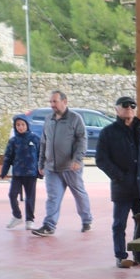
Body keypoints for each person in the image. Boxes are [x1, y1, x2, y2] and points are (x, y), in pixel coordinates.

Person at [94, 96, 140, 269]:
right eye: (124, 106)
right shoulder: (108, 132)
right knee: (119, 223)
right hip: (122, 186)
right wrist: (118, 176)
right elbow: (101, 159)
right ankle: (121, 255)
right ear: (117, 109)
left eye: (132, 105)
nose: (129, 108)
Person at [31, 90, 94, 237]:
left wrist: (77, 159)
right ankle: (49, 225)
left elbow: (82, 140)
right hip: (51, 168)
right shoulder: (48, 119)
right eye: (51, 102)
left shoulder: (75, 119)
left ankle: (86, 220)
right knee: (53, 197)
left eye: (55, 101)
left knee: (79, 195)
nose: (52, 104)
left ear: (65, 102)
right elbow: (43, 142)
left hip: (71, 167)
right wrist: (41, 163)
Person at [0, 114, 41, 230]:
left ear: (27, 125)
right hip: (17, 173)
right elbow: (8, 157)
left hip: (31, 174)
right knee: (12, 194)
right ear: (15, 126)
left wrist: (41, 170)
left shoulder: (35, 139)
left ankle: (30, 220)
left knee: (30, 197)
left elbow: (41, 155)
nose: (20, 127)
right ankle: (17, 216)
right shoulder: (13, 141)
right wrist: (4, 170)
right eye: (18, 125)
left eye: (23, 124)